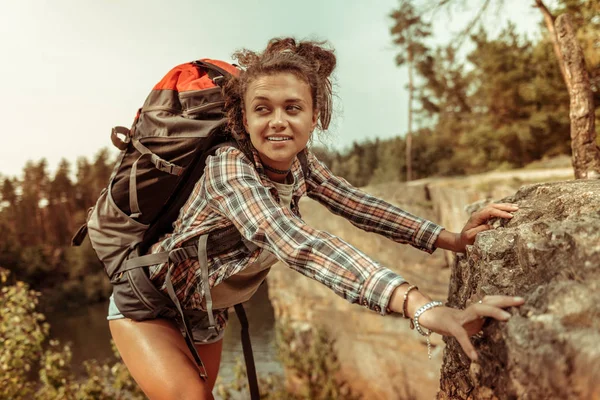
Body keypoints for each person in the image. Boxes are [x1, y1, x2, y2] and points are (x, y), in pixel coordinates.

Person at [107, 38, 524, 400]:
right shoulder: (228, 168)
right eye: (262, 109)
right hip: (149, 301)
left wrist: (450, 238)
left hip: (206, 311)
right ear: (243, 120)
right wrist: (422, 307)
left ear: (314, 116)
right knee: (191, 396)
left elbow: (358, 204)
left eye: (293, 108)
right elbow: (297, 242)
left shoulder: (301, 164)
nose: (278, 121)